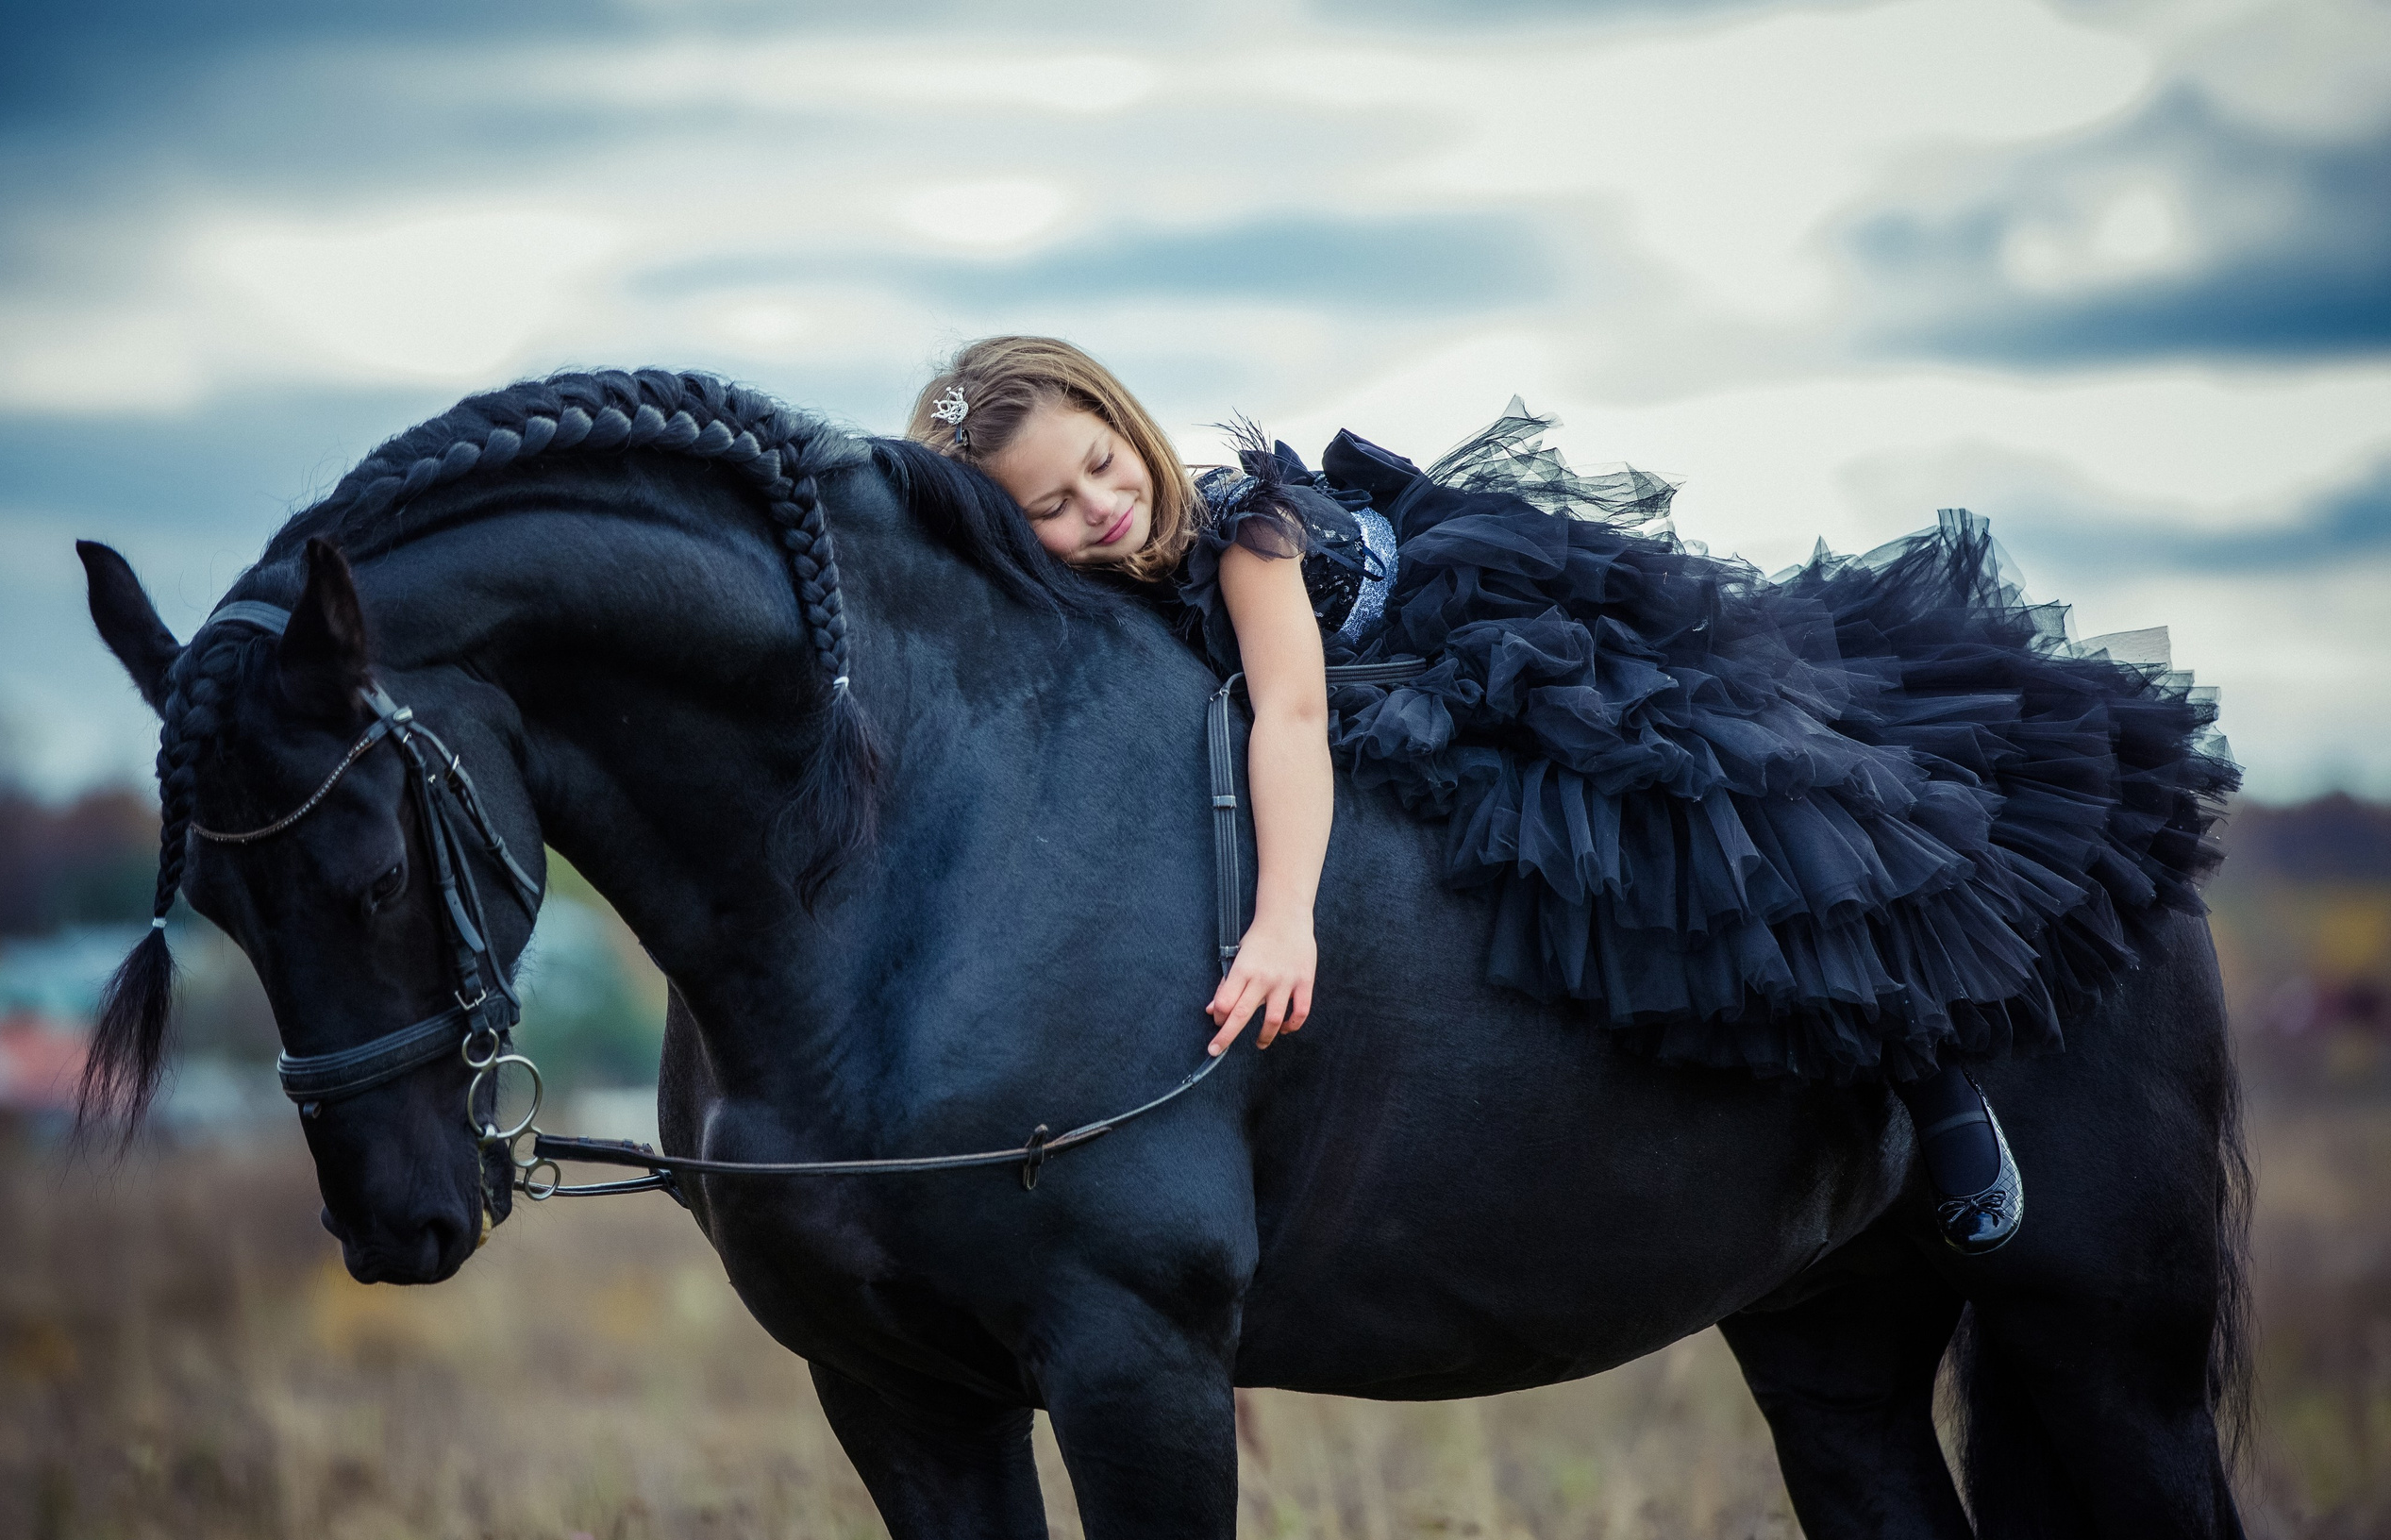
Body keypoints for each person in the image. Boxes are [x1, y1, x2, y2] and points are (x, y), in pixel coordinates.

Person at [905, 337, 2239, 1256]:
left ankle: (1936, 1077)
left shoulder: (1245, 533)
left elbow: (1293, 719)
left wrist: (1287, 919)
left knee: (1718, 807)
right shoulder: (1085, 597)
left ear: (1125, 423)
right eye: (1051, 510)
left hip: (1480, 631)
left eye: (1101, 464)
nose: (1099, 508)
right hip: (1388, 690)